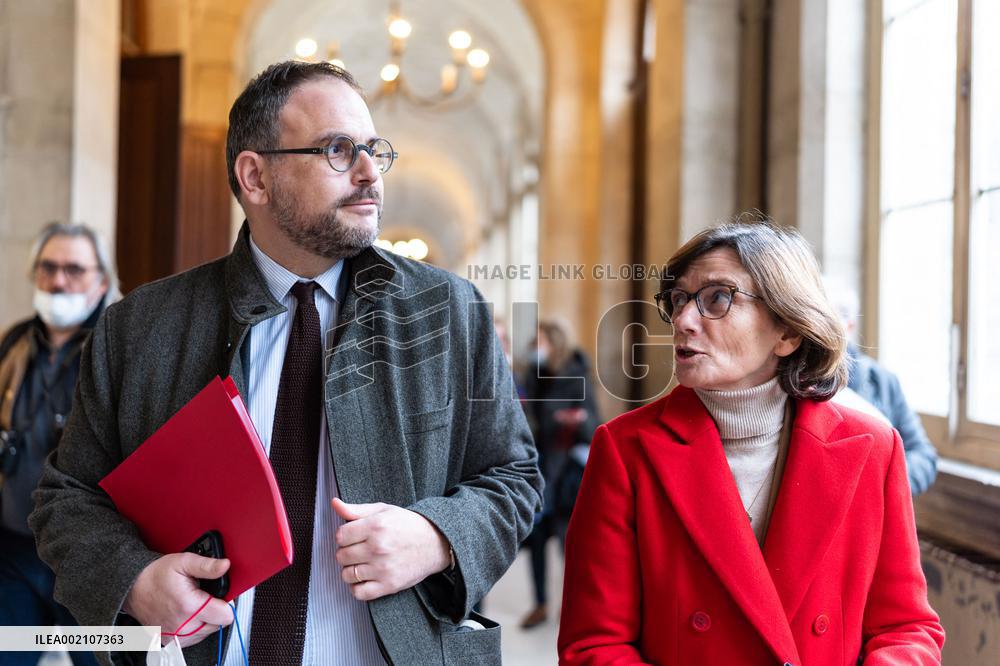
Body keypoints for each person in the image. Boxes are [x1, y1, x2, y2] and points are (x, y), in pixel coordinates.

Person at [29, 61, 542, 666]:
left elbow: (514, 479)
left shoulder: (452, 311)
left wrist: (437, 537)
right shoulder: (139, 328)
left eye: (374, 150)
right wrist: (134, 580)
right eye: (337, 150)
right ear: (256, 176)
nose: (369, 171)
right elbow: (64, 499)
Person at [559, 218, 944, 665]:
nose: (683, 320)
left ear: (787, 331)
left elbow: (906, 628)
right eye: (679, 299)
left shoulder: (873, 448)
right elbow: (594, 644)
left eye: (717, 298)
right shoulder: (626, 451)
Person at [0, 222, 115, 666]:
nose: (58, 279)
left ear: (102, 281)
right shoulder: (13, 342)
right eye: (48, 267)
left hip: (85, 559)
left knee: (99, 661)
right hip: (15, 552)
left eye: (74, 269)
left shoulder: (116, 345)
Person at [519, 318, 600, 629]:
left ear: (554, 343)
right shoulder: (533, 376)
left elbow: (593, 423)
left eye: (540, 342)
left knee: (571, 543)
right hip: (539, 470)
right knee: (537, 539)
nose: (535, 349)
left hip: (567, 473)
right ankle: (539, 603)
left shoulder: (576, 373)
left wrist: (575, 420)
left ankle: (579, 608)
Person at [825, 277, 938, 495]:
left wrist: (886, 487)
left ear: (849, 326)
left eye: (828, 318)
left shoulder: (882, 380)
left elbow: (922, 453)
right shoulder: (795, 379)